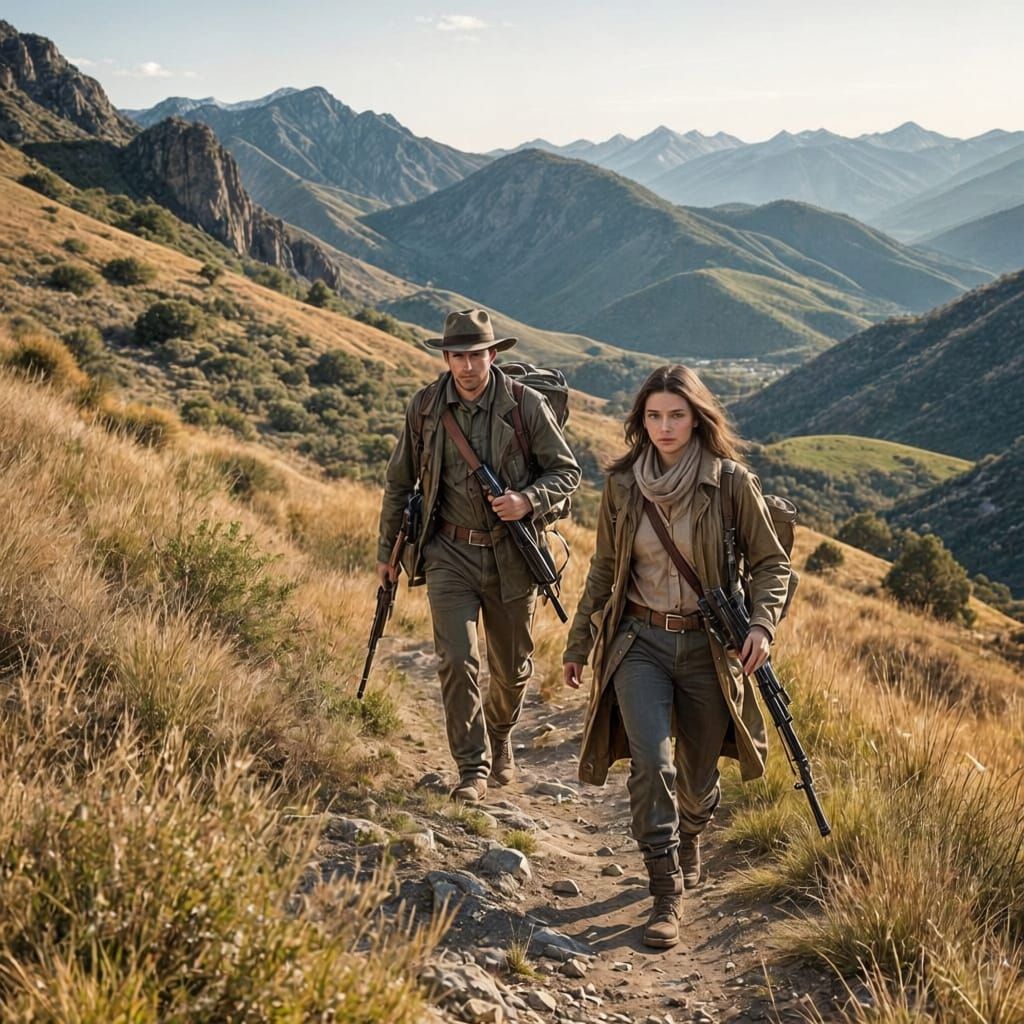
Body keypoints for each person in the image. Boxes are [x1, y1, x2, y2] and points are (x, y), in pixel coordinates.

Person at [562, 364, 790, 949]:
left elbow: (770, 565)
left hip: (711, 649)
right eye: (654, 416)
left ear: (697, 418)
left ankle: (691, 834)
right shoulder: (621, 486)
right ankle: (665, 894)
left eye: (677, 415)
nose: (664, 427)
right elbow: (605, 570)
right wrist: (580, 643)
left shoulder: (731, 482)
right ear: (641, 420)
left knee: (697, 775)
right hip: (638, 642)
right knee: (651, 763)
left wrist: (762, 625)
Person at [377, 309, 581, 804]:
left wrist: (527, 501)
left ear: (493, 354)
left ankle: (501, 733)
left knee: (511, 670)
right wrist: (388, 550)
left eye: (476, 355)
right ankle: (472, 768)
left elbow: (566, 472)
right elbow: (400, 481)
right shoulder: (425, 407)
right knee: (456, 659)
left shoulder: (524, 404)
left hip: (513, 554)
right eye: (457, 356)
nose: (467, 366)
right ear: (445, 357)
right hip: (449, 551)